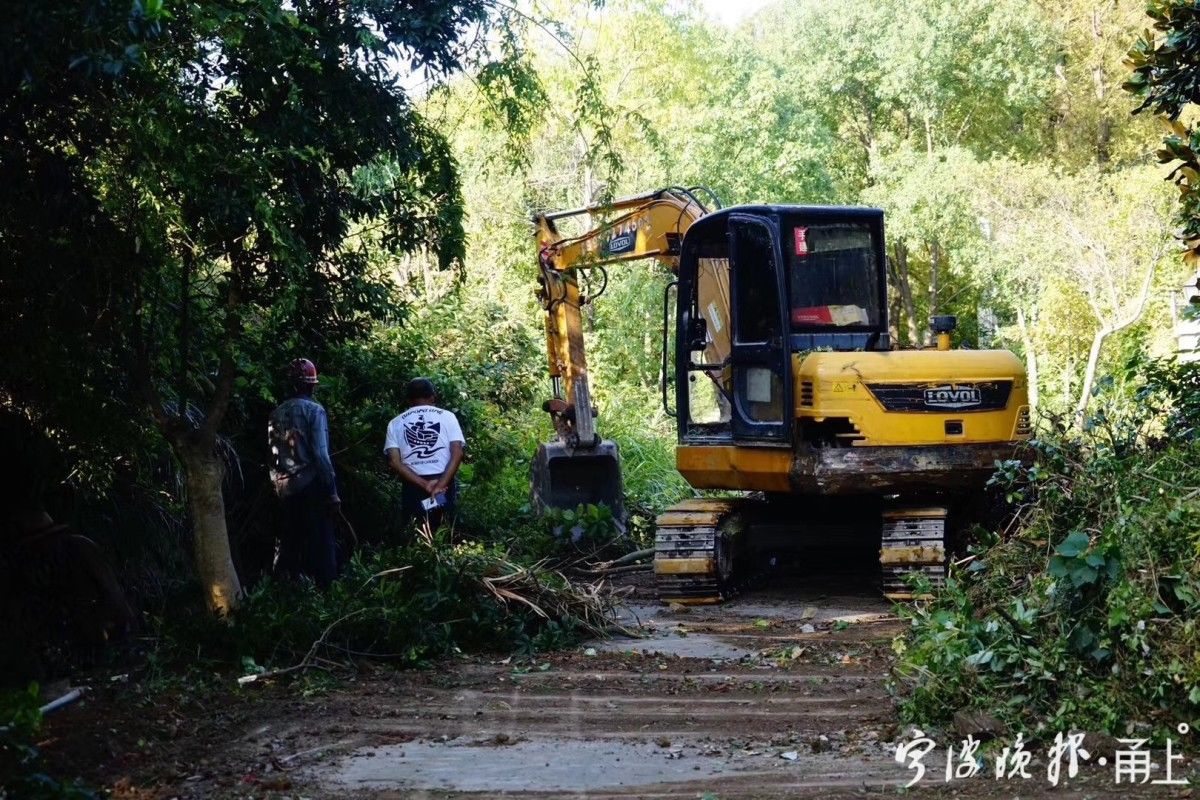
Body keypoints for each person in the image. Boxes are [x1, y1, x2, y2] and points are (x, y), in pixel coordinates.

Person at [268, 358, 340, 587]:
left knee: (289, 543)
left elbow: (271, 455)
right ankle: (326, 594)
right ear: (312, 385)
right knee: (322, 544)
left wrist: (276, 485)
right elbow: (321, 455)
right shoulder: (315, 411)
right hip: (311, 485)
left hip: (283, 486)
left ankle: (285, 593)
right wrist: (332, 492)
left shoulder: (276, 413)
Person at [384, 378, 465, 536]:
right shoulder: (448, 417)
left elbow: (394, 462)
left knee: (415, 534)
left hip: (413, 487)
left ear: (409, 400)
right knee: (444, 533)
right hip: (443, 486)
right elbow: (457, 453)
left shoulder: (395, 423)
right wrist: (440, 485)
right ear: (433, 397)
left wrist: (425, 485)